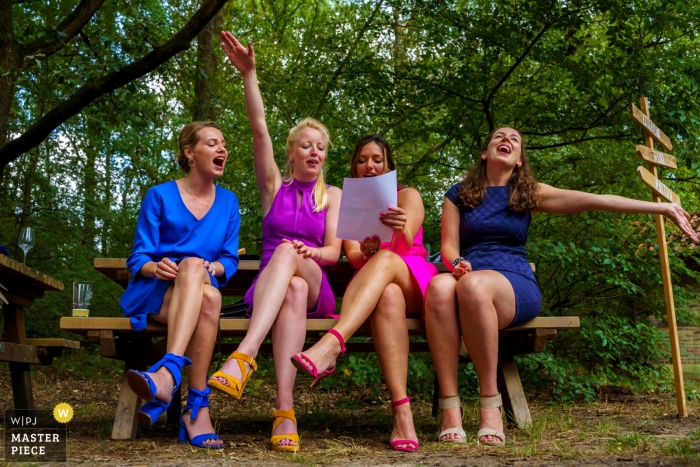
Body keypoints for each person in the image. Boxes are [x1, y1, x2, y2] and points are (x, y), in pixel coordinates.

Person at [425, 126, 699, 447]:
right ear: (485, 152)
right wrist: (456, 262)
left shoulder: (527, 193)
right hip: (467, 276)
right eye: (499, 136)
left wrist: (662, 208)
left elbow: (596, 201)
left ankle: (490, 403)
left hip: (512, 282)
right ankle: (450, 407)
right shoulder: (458, 194)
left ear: (519, 161)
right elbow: (448, 246)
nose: (507, 141)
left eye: (515, 140)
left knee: (472, 286)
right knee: (439, 288)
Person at [207, 31, 342, 453]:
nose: (314, 152)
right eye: (306, 145)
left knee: (295, 266)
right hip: (272, 287)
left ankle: (244, 355)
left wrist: (308, 252)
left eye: (320, 147)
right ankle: (285, 411)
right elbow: (259, 129)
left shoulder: (333, 195)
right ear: (292, 152)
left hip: (319, 280)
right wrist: (250, 75)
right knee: (292, 289)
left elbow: (335, 253)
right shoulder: (273, 188)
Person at [290, 135, 439, 452]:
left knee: (387, 260)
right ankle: (402, 413)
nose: (369, 165)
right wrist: (368, 251)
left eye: (377, 159)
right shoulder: (349, 204)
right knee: (387, 296)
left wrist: (399, 229)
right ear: (354, 167)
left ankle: (332, 343)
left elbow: (403, 247)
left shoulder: (408, 195)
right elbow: (355, 257)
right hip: (374, 289)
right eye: (362, 160)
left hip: (413, 276)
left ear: (388, 166)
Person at [120, 121, 241, 449]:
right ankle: (196, 409)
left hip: (200, 285)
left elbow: (228, 261)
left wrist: (208, 266)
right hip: (157, 293)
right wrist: (154, 266)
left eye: (224, 144)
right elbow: (138, 259)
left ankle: (167, 375)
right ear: (189, 153)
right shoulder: (159, 195)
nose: (222, 149)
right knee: (208, 295)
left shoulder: (229, 203)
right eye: (212, 143)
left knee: (203, 283)